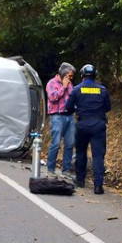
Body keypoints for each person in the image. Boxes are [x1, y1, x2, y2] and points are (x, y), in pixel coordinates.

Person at [63, 64, 112, 194]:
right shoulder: (102, 90)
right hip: (98, 125)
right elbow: (107, 108)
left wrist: (78, 109)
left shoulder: (76, 89)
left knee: (81, 152)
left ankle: (80, 180)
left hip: (82, 124)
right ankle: (98, 185)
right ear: (95, 75)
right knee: (98, 155)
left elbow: (67, 107)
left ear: (82, 75)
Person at [45, 62, 76, 176]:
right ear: (63, 74)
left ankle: (66, 169)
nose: (70, 78)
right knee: (56, 143)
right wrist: (63, 86)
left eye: (71, 76)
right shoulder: (51, 83)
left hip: (69, 116)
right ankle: (50, 169)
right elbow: (53, 97)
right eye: (69, 75)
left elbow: (72, 98)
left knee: (69, 143)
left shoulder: (70, 84)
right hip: (57, 116)